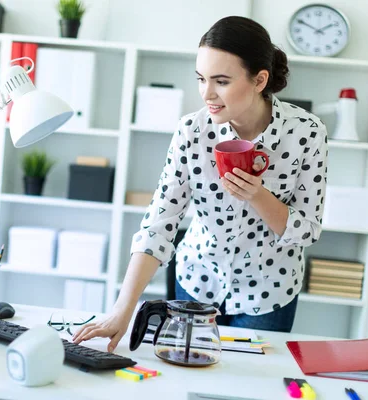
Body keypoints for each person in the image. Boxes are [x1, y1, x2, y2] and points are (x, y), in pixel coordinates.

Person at [72, 16, 328, 352]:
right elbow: (159, 224)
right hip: (197, 281)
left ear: (260, 79)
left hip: (269, 293)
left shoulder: (307, 132)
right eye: (201, 79)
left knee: (250, 386)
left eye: (221, 81)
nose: (207, 94)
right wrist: (122, 310)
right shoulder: (192, 131)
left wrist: (257, 195)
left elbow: (307, 230)